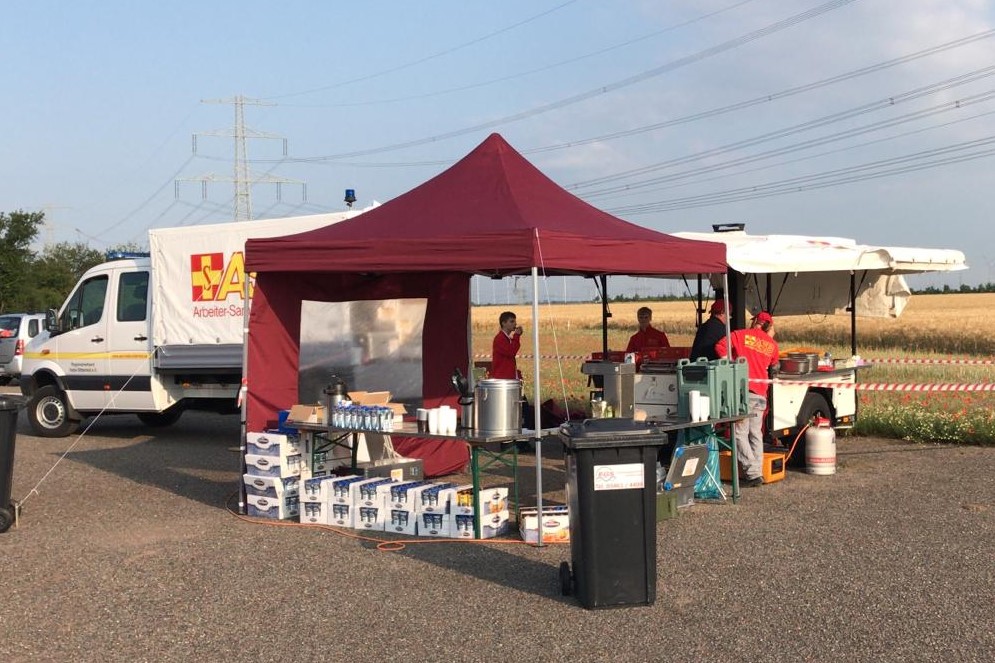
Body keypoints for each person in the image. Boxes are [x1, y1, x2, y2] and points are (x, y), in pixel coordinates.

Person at [714, 311, 779, 487]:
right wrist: (769, 338)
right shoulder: (772, 344)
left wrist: (729, 366)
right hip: (760, 394)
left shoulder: (740, 335)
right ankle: (757, 472)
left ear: (755, 322)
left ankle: (752, 472)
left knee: (738, 433)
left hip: (743, 392)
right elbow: (774, 363)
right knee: (756, 434)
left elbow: (720, 346)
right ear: (769, 326)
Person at [491, 311, 523, 380]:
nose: (515, 324)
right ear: (503, 323)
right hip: (502, 378)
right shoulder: (500, 338)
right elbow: (511, 352)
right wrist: (516, 336)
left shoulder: (507, 338)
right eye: (511, 322)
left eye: (515, 321)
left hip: (507, 377)